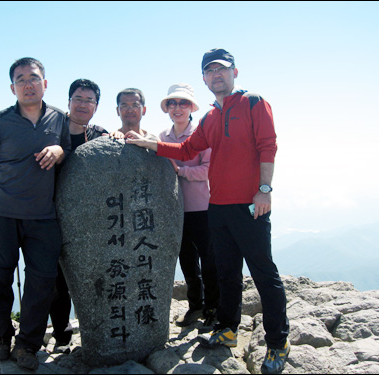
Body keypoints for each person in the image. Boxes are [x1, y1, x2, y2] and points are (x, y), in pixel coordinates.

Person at [125, 48, 290, 374]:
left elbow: (267, 145)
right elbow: (188, 150)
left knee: (263, 273)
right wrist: (151, 145)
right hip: (217, 206)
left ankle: (277, 341)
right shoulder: (211, 117)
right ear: (204, 78)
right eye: (210, 71)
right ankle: (228, 328)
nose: (217, 75)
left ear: (234, 72)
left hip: (249, 205)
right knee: (226, 272)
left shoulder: (254, 102)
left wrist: (265, 189)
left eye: (222, 70)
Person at [0, 57, 71, 371]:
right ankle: (0, 337)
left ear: (45, 83)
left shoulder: (59, 119)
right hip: (2, 213)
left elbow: (67, 148)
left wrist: (59, 150)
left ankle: (28, 344)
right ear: (13, 87)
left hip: (44, 216)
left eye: (34, 77)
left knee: (42, 281)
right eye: (21, 79)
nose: (28, 83)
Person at [49, 78, 108, 354]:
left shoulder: (100, 135)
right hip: (50, 216)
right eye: (78, 98)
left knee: (90, 277)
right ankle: (61, 335)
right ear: (69, 101)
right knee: (54, 281)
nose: (83, 104)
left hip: (89, 223)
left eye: (89, 100)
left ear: (96, 106)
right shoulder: (51, 132)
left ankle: (96, 331)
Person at [158, 83, 219, 329]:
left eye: (183, 103)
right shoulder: (162, 137)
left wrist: (180, 171)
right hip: (175, 210)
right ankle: (196, 306)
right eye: (172, 103)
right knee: (187, 262)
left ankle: (213, 308)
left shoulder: (202, 135)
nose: (177, 108)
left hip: (203, 207)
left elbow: (208, 169)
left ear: (192, 107)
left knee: (209, 260)